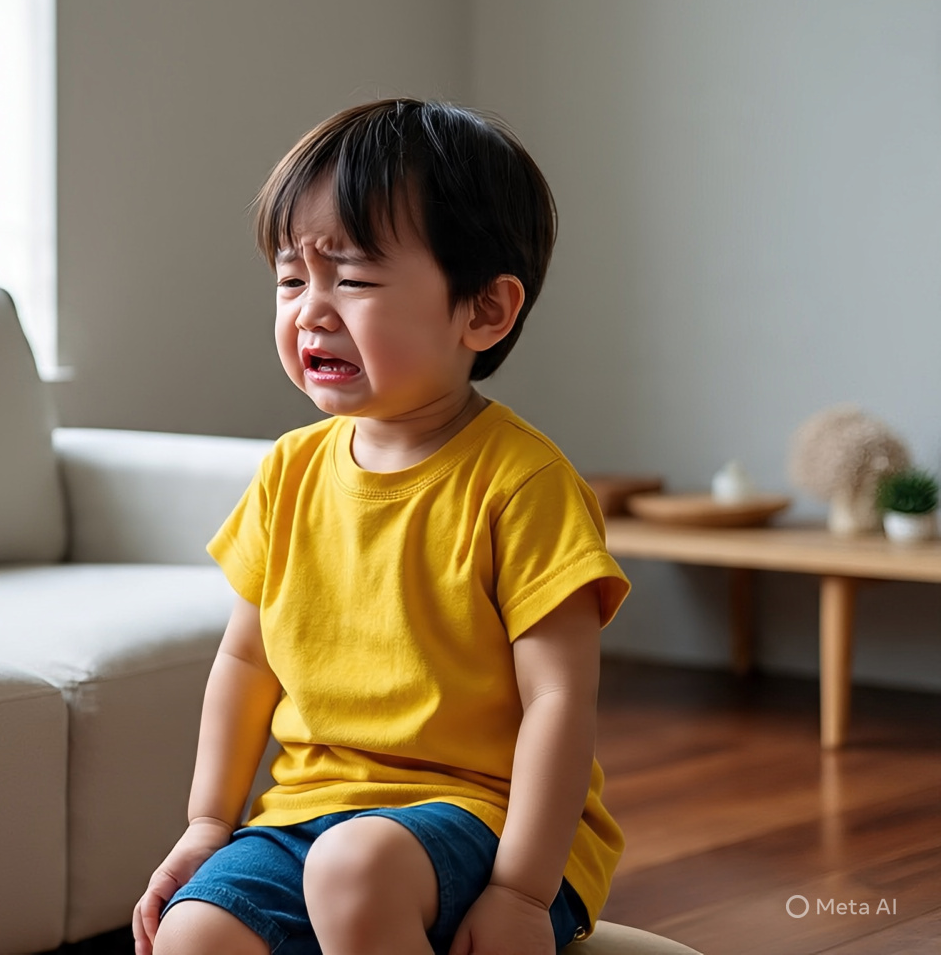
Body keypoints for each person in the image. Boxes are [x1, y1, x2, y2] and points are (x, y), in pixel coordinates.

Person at [132, 98, 631, 955]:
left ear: (484, 312)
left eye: (353, 280)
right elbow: (245, 661)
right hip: (308, 813)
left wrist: (520, 890)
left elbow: (560, 699)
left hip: (487, 821)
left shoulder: (523, 483)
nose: (310, 311)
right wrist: (209, 823)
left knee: (353, 868)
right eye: (292, 279)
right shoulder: (289, 471)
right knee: (193, 936)